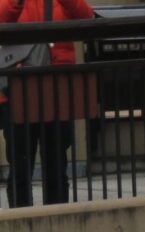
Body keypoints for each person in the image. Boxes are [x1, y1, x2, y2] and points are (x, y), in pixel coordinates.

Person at [0, 0, 94, 208]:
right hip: (17, 90)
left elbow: (87, 19)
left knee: (56, 166)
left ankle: (58, 226)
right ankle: (23, 226)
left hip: (56, 88)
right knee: (20, 167)